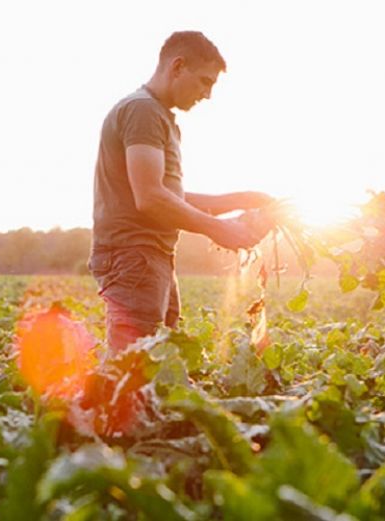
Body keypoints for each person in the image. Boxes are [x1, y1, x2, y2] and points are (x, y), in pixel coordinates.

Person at [88, 31, 273, 351]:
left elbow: (166, 195)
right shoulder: (142, 110)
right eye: (205, 81)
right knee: (131, 372)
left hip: (151, 256)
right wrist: (218, 229)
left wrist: (237, 200)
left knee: (158, 368)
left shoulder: (160, 117)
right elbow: (149, 198)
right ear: (177, 66)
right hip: (134, 255)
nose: (208, 94)